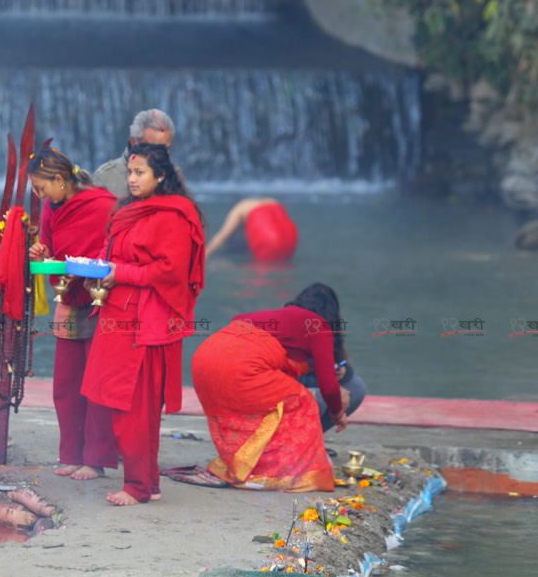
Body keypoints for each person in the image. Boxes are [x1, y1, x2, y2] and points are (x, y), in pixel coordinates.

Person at [81, 142, 206, 505]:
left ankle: (137, 486)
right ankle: (146, 483)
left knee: (134, 406)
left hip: (145, 320)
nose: (132, 179)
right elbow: (117, 256)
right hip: (121, 312)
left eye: (140, 173)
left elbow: (170, 271)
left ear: (161, 176)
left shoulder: (172, 215)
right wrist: (100, 272)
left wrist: (120, 272)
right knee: (129, 404)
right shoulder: (133, 210)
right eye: (131, 172)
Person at [191, 283, 358, 491]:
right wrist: (337, 412)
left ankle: (254, 464)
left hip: (203, 361)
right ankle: (284, 472)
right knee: (303, 401)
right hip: (239, 366)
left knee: (276, 405)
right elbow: (328, 385)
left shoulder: (272, 318)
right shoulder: (318, 325)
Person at [27, 147, 119, 481]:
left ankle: (95, 460)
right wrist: (41, 251)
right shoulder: (52, 208)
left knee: (96, 384)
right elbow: (51, 248)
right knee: (66, 383)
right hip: (67, 295)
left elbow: (108, 250)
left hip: (99, 299)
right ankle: (71, 453)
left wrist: (79, 265)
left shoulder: (102, 204)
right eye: (35, 188)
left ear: (62, 179)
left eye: (43, 186)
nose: (40, 194)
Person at [93, 109, 186, 201]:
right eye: (155, 148)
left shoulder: (174, 173)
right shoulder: (106, 177)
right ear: (134, 142)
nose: (163, 154)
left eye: (167, 148)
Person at [204, 198, 299, 262]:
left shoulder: (238, 208)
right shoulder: (270, 200)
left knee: (262, 272)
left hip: (269, 238)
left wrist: (206, 253)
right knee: (283, 265)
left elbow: (223, 235)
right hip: (291, 236)